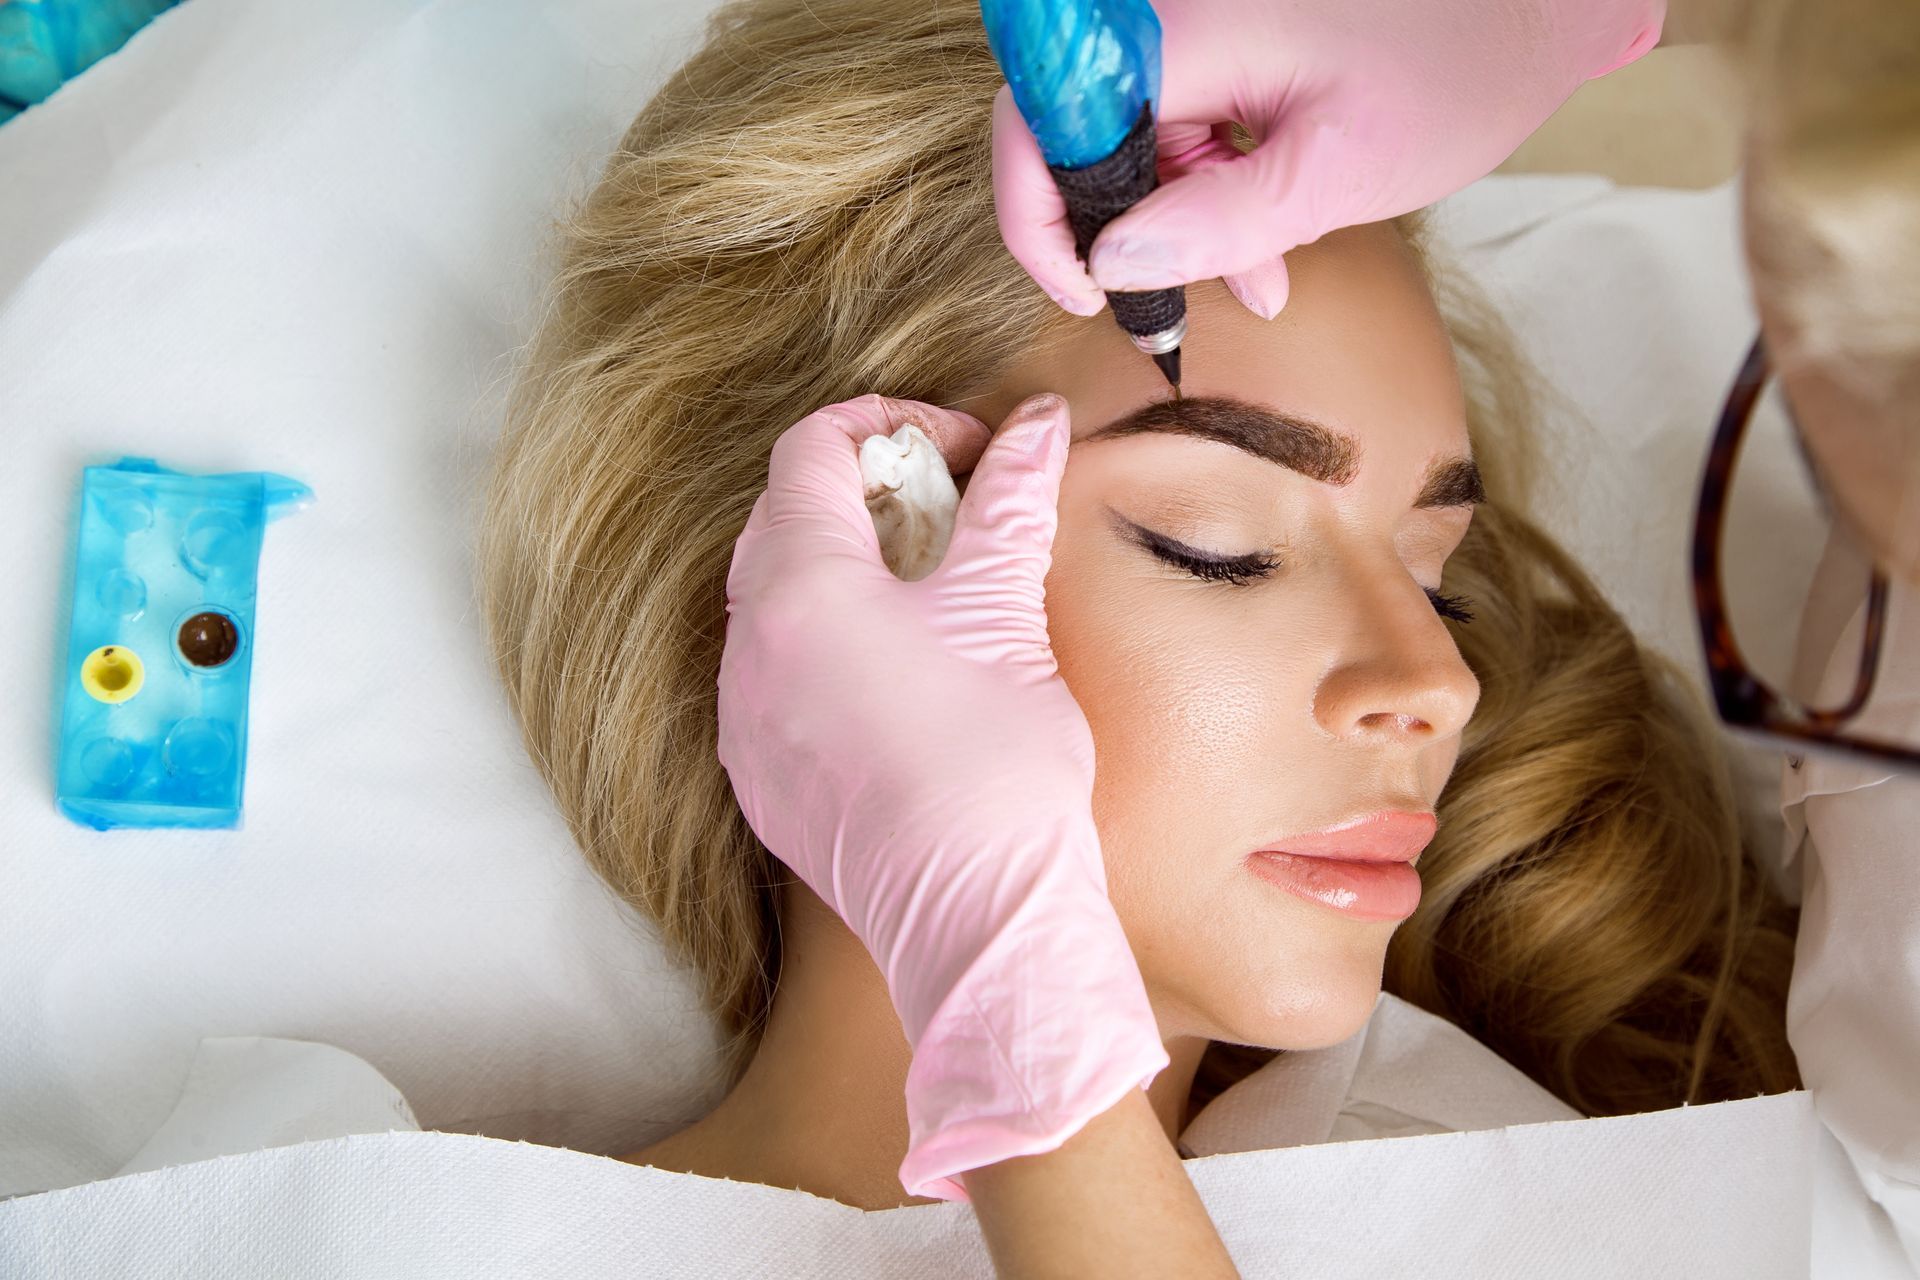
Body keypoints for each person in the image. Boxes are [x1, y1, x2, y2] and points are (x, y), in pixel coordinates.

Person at [478, 0, 1808, 1272]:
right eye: (1217, 548)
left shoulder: (1600, 1226)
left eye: (1437, 577)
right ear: (861, 550)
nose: (1436, 681)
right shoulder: (375, 1237)